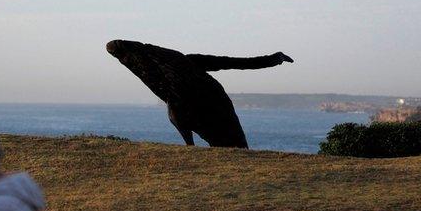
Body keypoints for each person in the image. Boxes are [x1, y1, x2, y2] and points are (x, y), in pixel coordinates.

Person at [106, 39, 293, 148]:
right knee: (235, 147)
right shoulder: (178, 65)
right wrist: (275, 59)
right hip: (210, 107)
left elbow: (233, 63)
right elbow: (234, 63)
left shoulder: (184, 63)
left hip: (216, 107)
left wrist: (274, 59)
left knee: (235, 147)